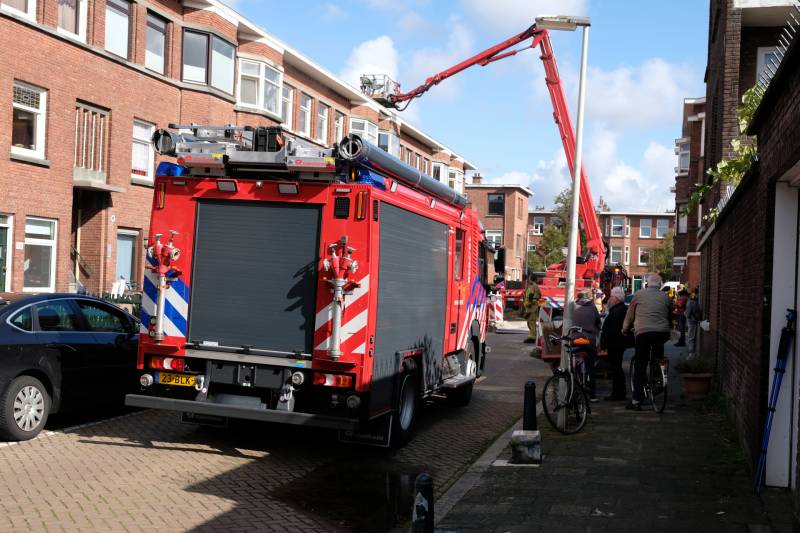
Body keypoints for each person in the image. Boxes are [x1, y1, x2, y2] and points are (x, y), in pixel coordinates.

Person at [622, 273, 672, 410]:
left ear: (647, 283)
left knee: (640, 365)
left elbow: (630, 314)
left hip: (643, 333)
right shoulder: (666, 297)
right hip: (662, 333)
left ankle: (637, 400)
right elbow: (670, 314)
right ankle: (659, 375)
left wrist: (625, 329)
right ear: (660, 284)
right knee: (658, 354)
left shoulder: (638, 295)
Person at [599, 286, 630, 401]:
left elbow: (611, 330)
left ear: (616, 299)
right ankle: (618, 393)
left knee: (616, 369)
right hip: (618, 343)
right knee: (617, 368)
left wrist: (604, 343)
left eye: (611, 297)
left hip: (615, 344)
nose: (609, 299)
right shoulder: (621, 309)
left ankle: (618, 394)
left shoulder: (617, 311)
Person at [571, 289, 601, 401]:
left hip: (575, 339)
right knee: (590, 367)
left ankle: (575, 388)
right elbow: (598, 323)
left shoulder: (573, 307)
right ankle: (592, 395)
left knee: (574, 363)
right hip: (588, 340)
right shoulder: (593, 308)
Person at [523, 274, 541, 343]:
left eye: (529, 278)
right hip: (530, 306)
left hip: (532, 307)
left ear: (531, 279)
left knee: (532, 322)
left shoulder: (533, 287)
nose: (528, 280)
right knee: (530, 322)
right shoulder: (532, 286)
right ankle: (531, 336)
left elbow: (533, 297)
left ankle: (532, 338)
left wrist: (528, 303)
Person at [685, 289, 701, 359]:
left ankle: (691, 354)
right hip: (694, 321)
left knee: (691, 337)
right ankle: (691, 353)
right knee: (691, 337)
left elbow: (688, 314)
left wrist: (684, 313)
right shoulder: (694, 301)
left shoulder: (690, 302)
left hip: (691, 321)